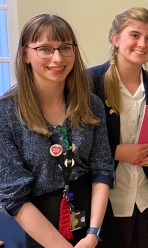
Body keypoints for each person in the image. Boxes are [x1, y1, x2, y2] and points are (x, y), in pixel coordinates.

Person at [0, 14, 118, 247]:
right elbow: (14, 197)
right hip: (38, 227)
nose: (57, 58)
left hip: (94, 225)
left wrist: (93, 233)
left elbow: (102, 169)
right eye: (45, 49)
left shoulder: (90, 104)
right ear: (25, 54)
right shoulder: (6, 112)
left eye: (65, 48)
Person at [89, 7, 148, 247]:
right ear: (115, 39)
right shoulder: (90, 82)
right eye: (134, 35)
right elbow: (77, 144)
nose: (142, 44)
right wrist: (117, 152)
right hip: (109, 204)